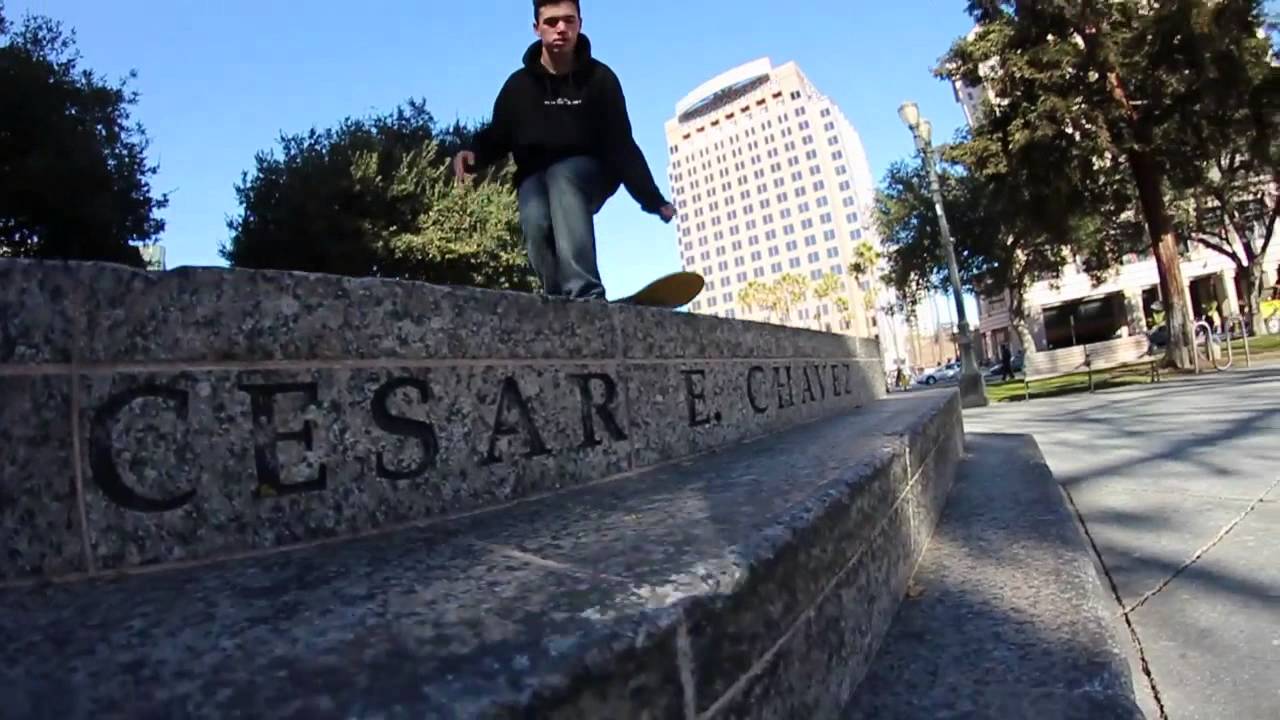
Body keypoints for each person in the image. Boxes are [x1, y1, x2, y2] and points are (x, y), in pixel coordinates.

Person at [452, 0, 677, 301]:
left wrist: (652, 198)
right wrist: (474, 156)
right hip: (536, 175)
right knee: (535, 216)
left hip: (594, 170)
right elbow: (499, 135)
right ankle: (556, 297)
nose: (561, 29)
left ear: (580, 24)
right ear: (537, 29)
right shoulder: (518, 88)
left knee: (562, 175)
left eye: (569, 21)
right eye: (552, 22)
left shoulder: (600, 80)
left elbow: (622, 144)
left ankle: (585, 292)